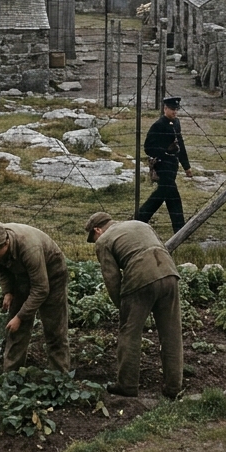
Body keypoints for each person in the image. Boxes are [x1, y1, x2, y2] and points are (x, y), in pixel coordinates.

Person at [85, 211, 183, 399]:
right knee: (171, 332)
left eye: (93, 236)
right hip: (169, 272)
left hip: (140, 277)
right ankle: (173, 387)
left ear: (98, 230)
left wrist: (122, 306)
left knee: (130, 332)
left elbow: (112, 279)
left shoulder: (104, 240)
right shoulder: (140, 224)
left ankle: (127, 385)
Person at [0, 221, 70, 373]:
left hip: (53, 275)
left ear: (6, 243)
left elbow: (41, 289)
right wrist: (8, 292)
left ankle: (59, 376)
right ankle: (12, 374)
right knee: (14, 330)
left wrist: (20, 317)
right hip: (22, 276)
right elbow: (3, 272)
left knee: (54, 328)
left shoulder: (30, 248)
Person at [137, 95, 192, 234]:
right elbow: (148, 147)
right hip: (162, 165)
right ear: (165, 108)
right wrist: (165, 150)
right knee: (172, 196)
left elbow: (181, 145)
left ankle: (139, 219)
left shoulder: (176, 123)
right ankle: (180, 228)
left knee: (163, 195)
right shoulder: (158, 125)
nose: (175, 112)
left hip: (172, 166)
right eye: (172, 109)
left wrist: (186, 166)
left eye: (176, 109)